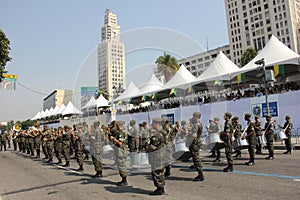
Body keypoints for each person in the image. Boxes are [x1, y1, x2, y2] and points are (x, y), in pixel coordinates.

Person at [147, 118, 167, 195]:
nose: (152, 124)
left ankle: (160, 189)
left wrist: (147, 150)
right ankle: (160, 187)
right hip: (161, 155)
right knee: (159, 171)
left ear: (156, 124)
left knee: (157, 172)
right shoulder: (162, 132)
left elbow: (152, 147)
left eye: (153, 123)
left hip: (157, 156)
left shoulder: (158, 134)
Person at [108, 121, 129, 186]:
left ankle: (124, 180)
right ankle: (123, 179)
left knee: (121, 165)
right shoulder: (121, 132)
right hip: (120, 151)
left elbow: (120, 143)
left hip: (121, 151)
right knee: (121, 165)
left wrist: (113, 139)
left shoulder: (121, 133)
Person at [188, 112, 205, 181]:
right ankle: (200, 174)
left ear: (196, 117)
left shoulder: (196, 124)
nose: (192, 117)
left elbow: (193, 136)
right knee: (195, 158)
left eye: (193, 116)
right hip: (196, 142)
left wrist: (188, 141)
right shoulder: (198, 124)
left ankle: (201, 175)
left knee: (196, 158)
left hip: (194, 143)